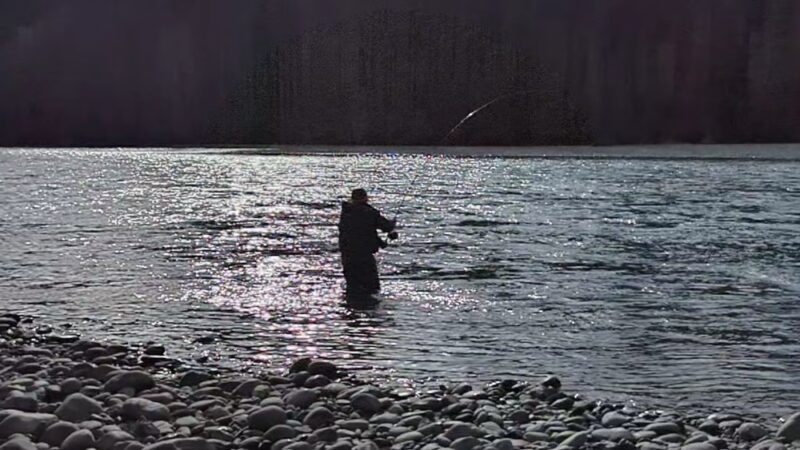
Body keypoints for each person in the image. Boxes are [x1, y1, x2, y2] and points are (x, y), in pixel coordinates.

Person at [338, 188, 398, 301]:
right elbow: (386, 226)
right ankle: (368, 311)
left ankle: (353, 309)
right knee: (372, 287)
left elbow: (360, 232)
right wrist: (392, 226)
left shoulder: (346, 212)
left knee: (352, 287)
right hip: (364, 256)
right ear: (365, 198)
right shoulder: (369, 212)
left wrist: (380, 242)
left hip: (347, 256)